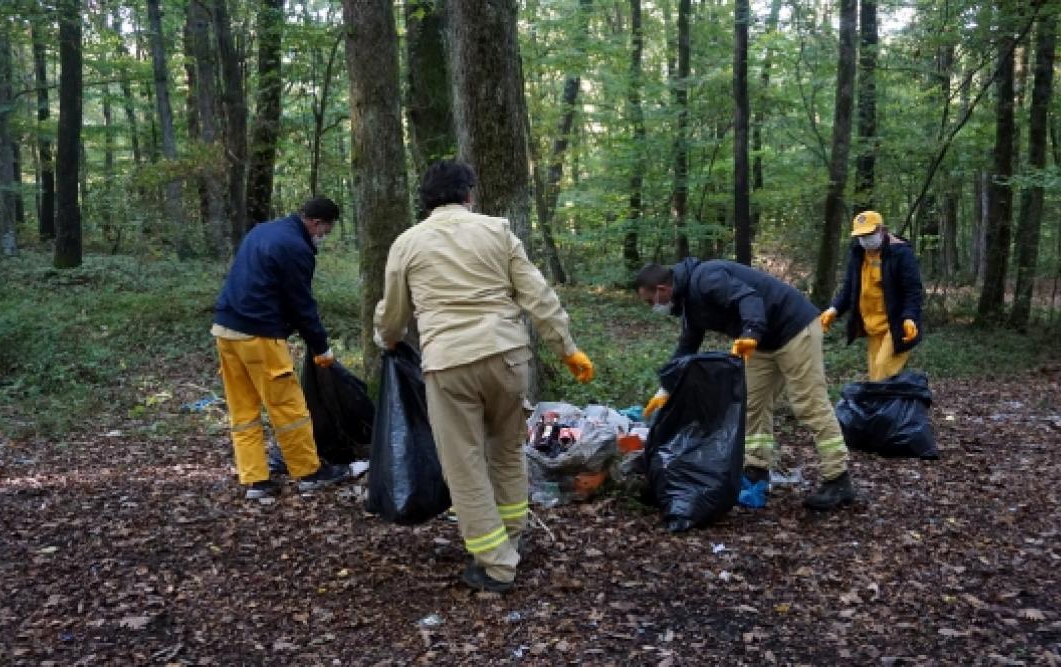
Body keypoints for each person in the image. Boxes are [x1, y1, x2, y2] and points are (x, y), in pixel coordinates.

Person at [374, 160, 594, 594]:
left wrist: (387, 340)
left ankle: (495, 565)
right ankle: (511, 538)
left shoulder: (407, 243)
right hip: (508, 357)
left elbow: (393, 314)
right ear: (469, 195)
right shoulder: (497, 231)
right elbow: (538, 295)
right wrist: (567, 348)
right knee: (508, 450)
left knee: (465, 464)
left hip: (449, 363)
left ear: (426, 200)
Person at [635, 259, 855, 511]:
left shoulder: (706, 279)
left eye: (649, 301)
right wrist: (665, 388)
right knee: (751, 404)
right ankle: (755, 469)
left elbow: (749, 299)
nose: (652, 306)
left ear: (662, 289)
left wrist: (750, 333)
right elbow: (688, 346)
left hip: (794, 328)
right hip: (763, 340)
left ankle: (838, 478)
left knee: (809, 404)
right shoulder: (690, 303)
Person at [212, 196, 352, 501]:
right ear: (316, 223)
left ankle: (256, 481)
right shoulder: (296, 248)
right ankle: (309, 473)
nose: (323, 237)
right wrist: (321, 347)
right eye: (325, 231)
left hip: (225, 329)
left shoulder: (263, 231)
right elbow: (301, 304)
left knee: (243, 409)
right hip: (259, 335)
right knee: (288, 407)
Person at [820, 211, 924, 381]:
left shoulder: (900, 253)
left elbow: (913, 291)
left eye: (869, 234)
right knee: (875, 376)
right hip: (873, 326)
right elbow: (849, 289)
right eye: (861, 235)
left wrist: (910, 317)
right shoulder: (858, 254)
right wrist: (834, 309)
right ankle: (887, 407)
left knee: (883, 370)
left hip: (897, 325)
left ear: (881, 229)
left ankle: (889, 405)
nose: (866, 239)